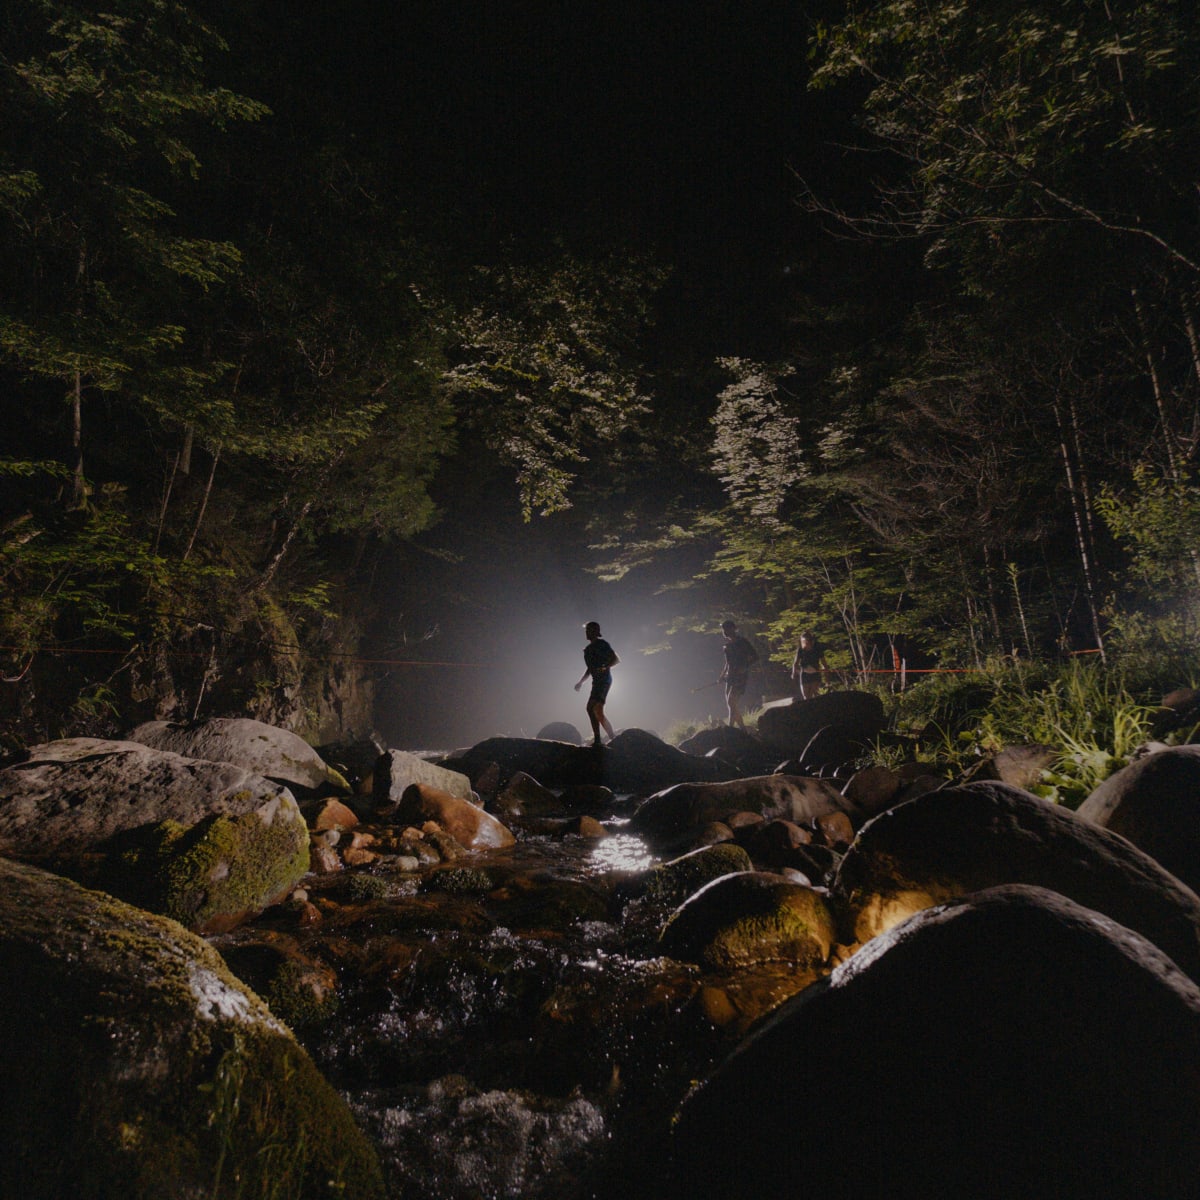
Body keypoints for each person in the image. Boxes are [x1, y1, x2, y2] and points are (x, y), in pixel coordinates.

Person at [574, 621, 619, 747]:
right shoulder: (587, 650)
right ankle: (607, 738)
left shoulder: (603, 644)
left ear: (595, 632)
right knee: (596, 711)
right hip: (596, 682)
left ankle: (600, 739)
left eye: (589, 630)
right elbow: (590, 669)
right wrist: (581, 682)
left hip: (604, 681)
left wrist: (605, 667)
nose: (587, 633)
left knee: (592, 708)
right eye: (586, 630)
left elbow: (615, 659)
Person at [718, 619, 758, 729]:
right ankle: (741, 729)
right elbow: (728, 663)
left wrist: (744, 667)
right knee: (731, 705)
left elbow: (755, 657)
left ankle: (731, 728)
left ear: (732, 629)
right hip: (730, 677)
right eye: (723, 629)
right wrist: (722, 675)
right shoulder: (727, 646)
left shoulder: (742, 642)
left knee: (731, 703)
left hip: (740, 676)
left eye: (726, 629)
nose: (724, 631)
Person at [791, 631, 829, 700]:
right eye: (803, 641)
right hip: (804, 675)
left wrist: (826, 678)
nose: (805, 643)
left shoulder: (817, 650)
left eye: (806, 641)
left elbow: (824, 664)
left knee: (815, 695)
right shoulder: (800, 650)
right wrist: (794, 673)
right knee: (806, 697)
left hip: (815, 674)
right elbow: (795, 663)